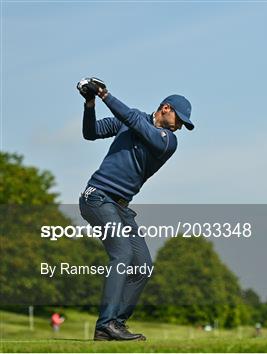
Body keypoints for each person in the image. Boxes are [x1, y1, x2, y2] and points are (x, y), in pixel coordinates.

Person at [76, 77, 194, 341]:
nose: (180, 126)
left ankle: (115, 325)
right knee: (123, 254)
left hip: (120, 208)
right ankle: (106, 324)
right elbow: (90, 132)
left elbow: (133, 121)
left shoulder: (167, 141)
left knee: (142, 266)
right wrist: (90, 103)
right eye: (180, 119)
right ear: (166, 108)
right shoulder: (133, 120)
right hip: (97, 197)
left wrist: (105, 94)